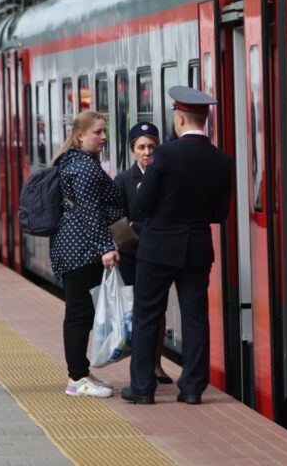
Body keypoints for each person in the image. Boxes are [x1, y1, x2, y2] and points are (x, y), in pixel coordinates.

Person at [121, 86, 232, 406]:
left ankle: (142, 387)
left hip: (156, 249)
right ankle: (193, 387)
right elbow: (219, 214)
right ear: (204, 120)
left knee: (147, 316)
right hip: (197, 248)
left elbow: (141, 204)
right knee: (195, 317)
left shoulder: (164, 156)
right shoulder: (221, 161)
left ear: (180, 119)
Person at [50, 110, 125, 398]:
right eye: (98, 132)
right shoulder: (83, 167)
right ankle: (77, 379)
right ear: (80, 136)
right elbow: (89, 211)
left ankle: (81, 372)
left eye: (105, 131)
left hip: (77, 247)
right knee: (79, 314)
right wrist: (105, 247)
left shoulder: (78, 162)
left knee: (81, 312)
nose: (104, 137)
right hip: (80, 249)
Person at [113, 122, 173, 386]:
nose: (147, 152)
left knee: (158, 310)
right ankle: (141, 363)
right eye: (141, 147)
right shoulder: (123, 180)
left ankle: (157, 364)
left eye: (152, 146)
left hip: (159, 252)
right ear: (132, 150)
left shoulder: (166, 176)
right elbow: (116, 217)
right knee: (136, 311)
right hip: (132, 254)